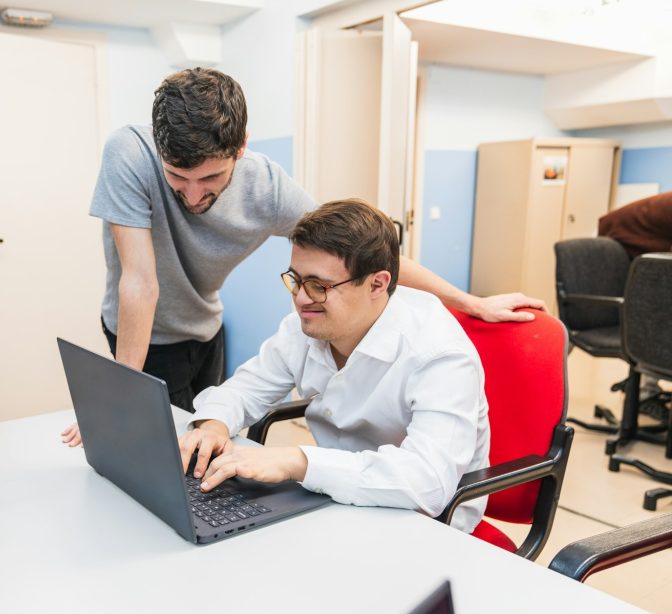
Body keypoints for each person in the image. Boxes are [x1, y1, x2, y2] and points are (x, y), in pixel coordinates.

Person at [61, 67, 540, 446]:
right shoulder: (128, 153)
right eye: (176, 178)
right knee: (160, 444)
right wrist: (120, 394)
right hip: (142, 330)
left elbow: (366, 256)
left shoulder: (267, 188)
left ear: (241, 148)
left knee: (195, 436)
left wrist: (471, 302)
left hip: (204, 323)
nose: (191, 196)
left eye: (209, 180)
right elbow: (140, 282)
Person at [177, 199, 490, 532]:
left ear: (377, 284)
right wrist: (214, 423)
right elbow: (246, 388)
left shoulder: (439, 354)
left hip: (424, 520)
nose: (301, 298)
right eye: (295, 280)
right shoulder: (307, 325)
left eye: (319, 286)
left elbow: (427, 483)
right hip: (336, 496)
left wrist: (297, 461)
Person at [598, 190, 672, 419]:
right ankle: (643, 392)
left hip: (640, 245)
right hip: (617, 241)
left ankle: (641, 385)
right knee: (661, 315)